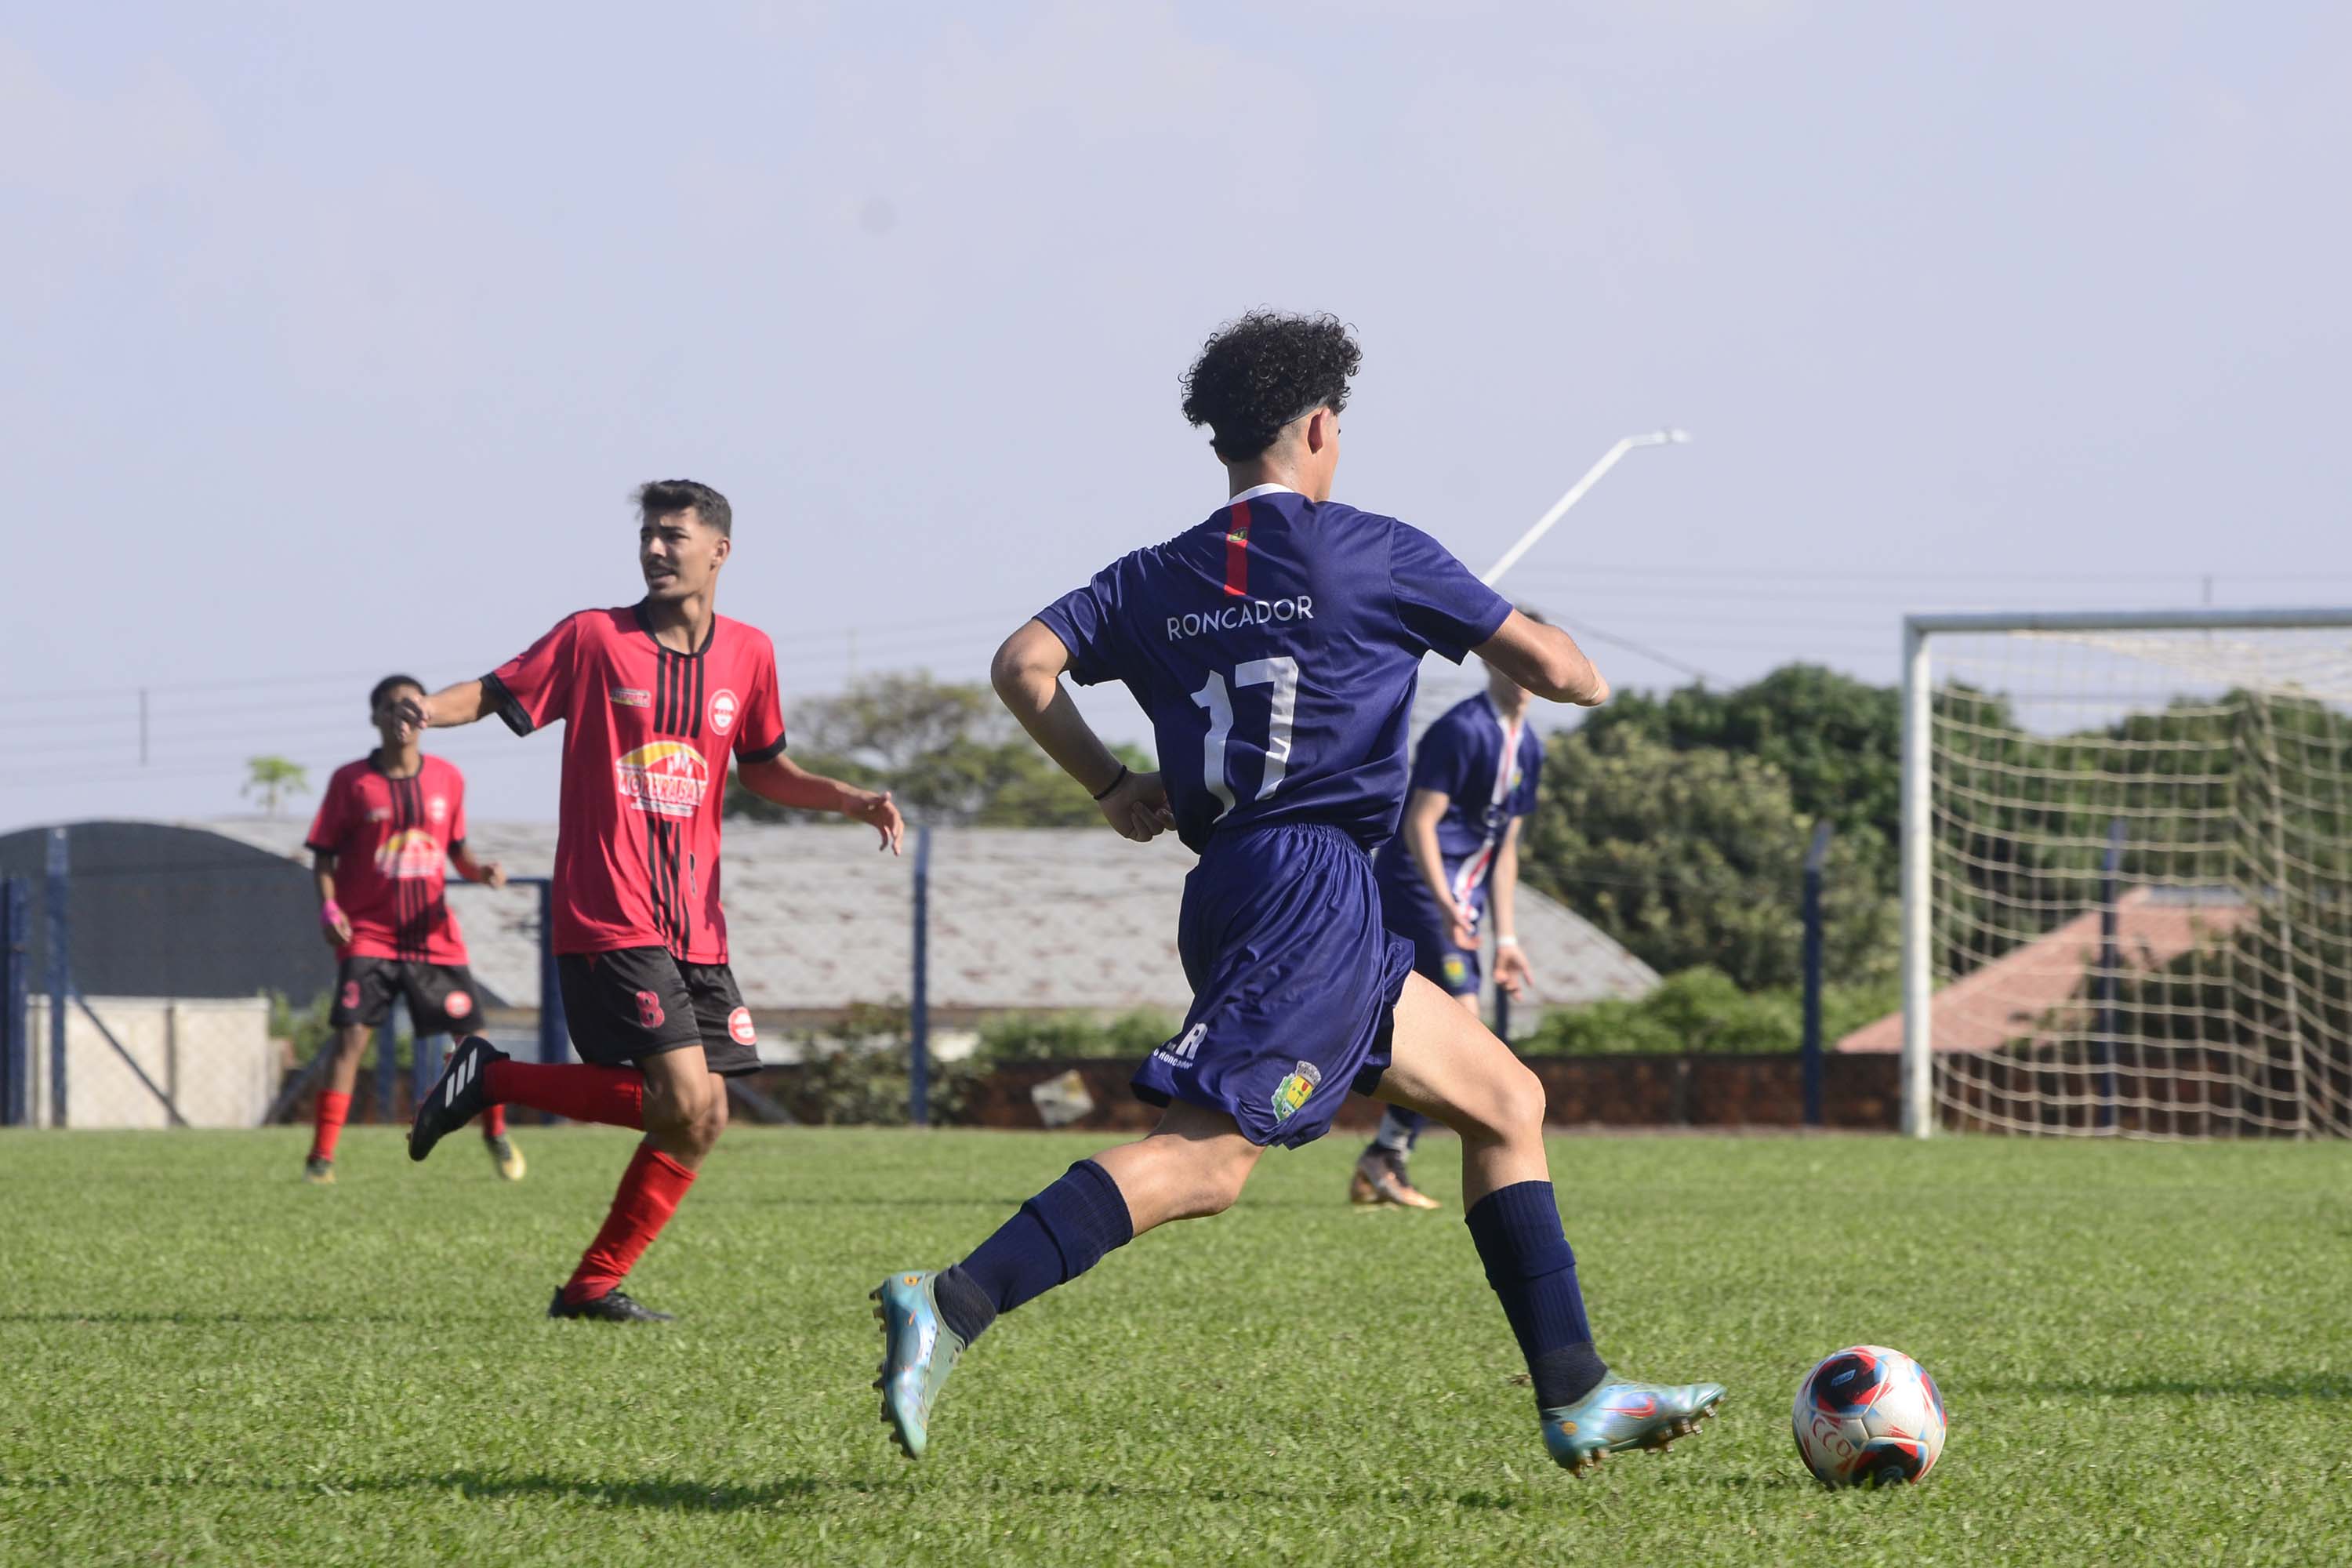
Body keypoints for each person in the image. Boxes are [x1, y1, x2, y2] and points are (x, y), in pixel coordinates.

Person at [871, 313, 1723, 1475]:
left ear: (1224, 438)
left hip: (1242, 882)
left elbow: (1022, 662)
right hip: (1312, 886)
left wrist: (1112, 785)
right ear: (1320, 426)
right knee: (1211, 1163)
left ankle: (1576, 1392)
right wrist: (1545, 650)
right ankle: (954, 1300)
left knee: (1504, 1101)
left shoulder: (1156, 574)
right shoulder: (1372, 548)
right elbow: (1566, 673)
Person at [399, 480, 905, 1322]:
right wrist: (428, 709)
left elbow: (766, 766)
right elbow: (493, 690)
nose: (656, 549)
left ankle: (592, 1285)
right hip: (609, 910)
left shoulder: (750, 652)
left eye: (674, 535)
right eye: (648, 535)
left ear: (720, 551)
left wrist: (847, 796)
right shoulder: (595, 636)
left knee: (702, 1117)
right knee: (681, 1098)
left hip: (696, 925)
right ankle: (495, 1077)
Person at [302, 675, 518, 1185]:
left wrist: (480, 871)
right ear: (375, 718)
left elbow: (457, 853)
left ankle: (497, 1134)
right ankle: (321, 1158)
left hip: (432, 939)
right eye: (390, 708)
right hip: (371, 936)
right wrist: (330, 910)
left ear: (426, 716)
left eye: (410, 707)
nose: (401, 716)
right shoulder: (351, 782)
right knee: (351, 1039)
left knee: (475, 1041)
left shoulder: (448, 778)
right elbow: (324, 857)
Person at [1352, 650, 1544, 1208]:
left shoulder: (1529, 746)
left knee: (1445, 1031)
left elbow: (1505, 850)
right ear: (1492, 667)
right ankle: (1385, 1155)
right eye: (1517, 664)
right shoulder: (1463, 729)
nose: (1527, 679)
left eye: (1534, 666)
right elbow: (1419, 822)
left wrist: (1505, 939)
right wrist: (1442, 901)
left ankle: (1385, 1156)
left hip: (1462, 905)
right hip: (1418, 889)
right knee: (1464, 1028)